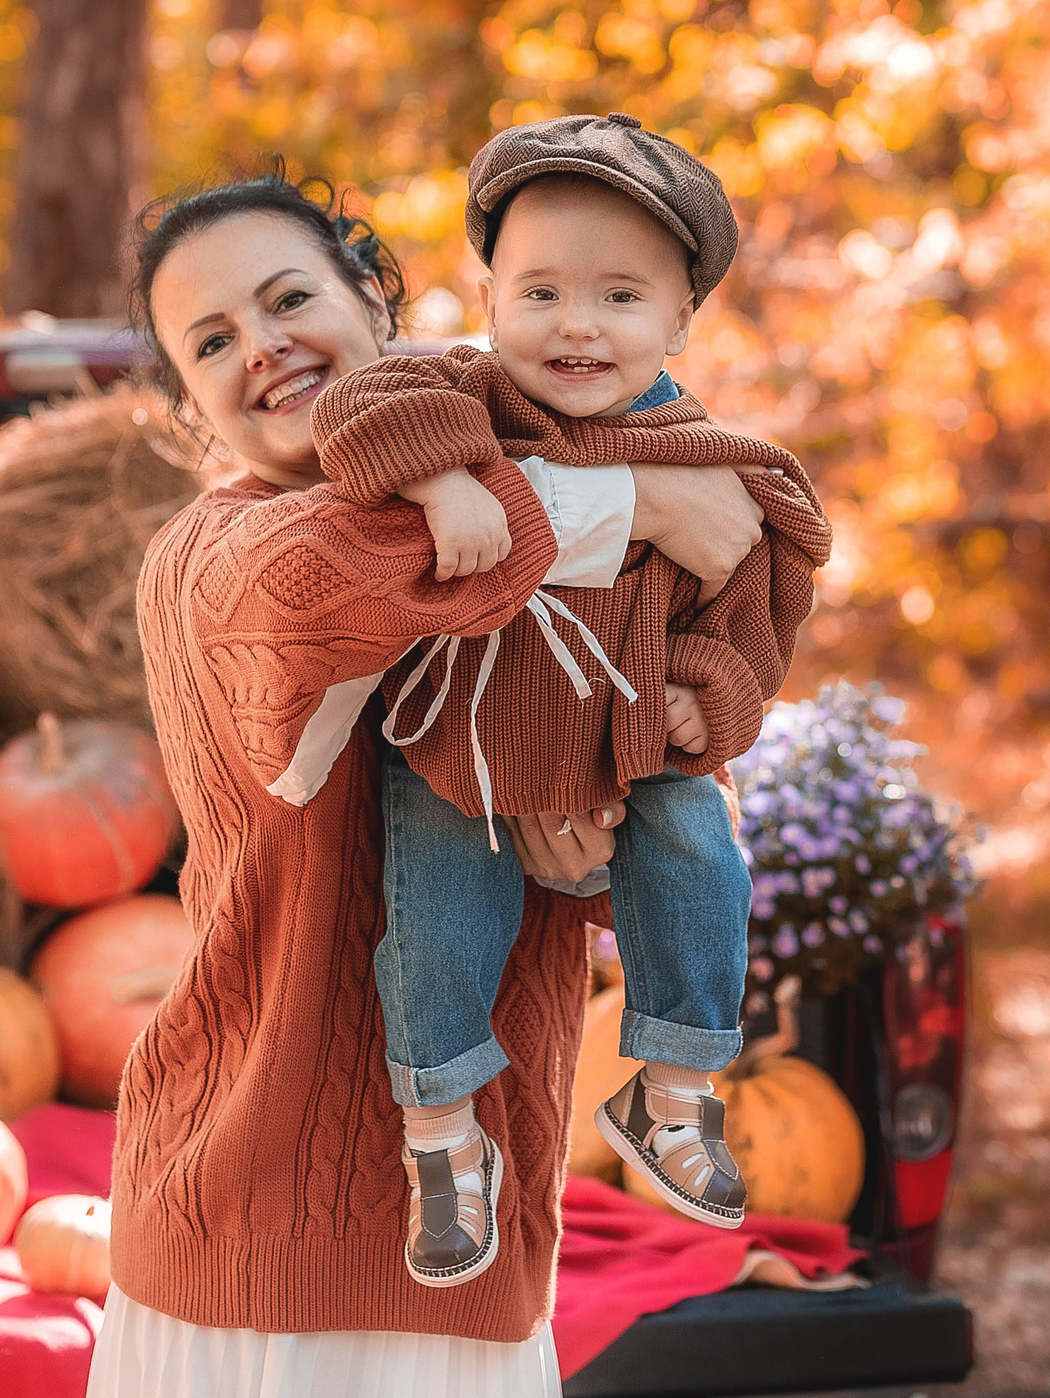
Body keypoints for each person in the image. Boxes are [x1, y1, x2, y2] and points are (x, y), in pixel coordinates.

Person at [92, 173, 769, 1396]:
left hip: (474, 1236)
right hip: (247, 1232)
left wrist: (590, 843)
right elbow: (345, 570)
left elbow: (661, 791)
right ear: (191, 404)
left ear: (374, 298)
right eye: (211, 341)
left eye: (288, 296)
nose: (263, 346)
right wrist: (642, 498)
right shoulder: (209, 556)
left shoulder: (535, 453)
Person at [309, 114, 831, 1275]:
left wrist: (712, 695)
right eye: (538, 290)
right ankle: (440, 1142)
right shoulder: (463, 395)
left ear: (682, 317)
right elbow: (352, 413)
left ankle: (675, 1087)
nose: (576, 324)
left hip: (629, 738)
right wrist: (445, 477)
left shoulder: (712, 458)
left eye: (619, 296)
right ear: (488, 297)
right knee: (437, 925)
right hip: (465, 745)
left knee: (702, 849)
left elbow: (749, 618)